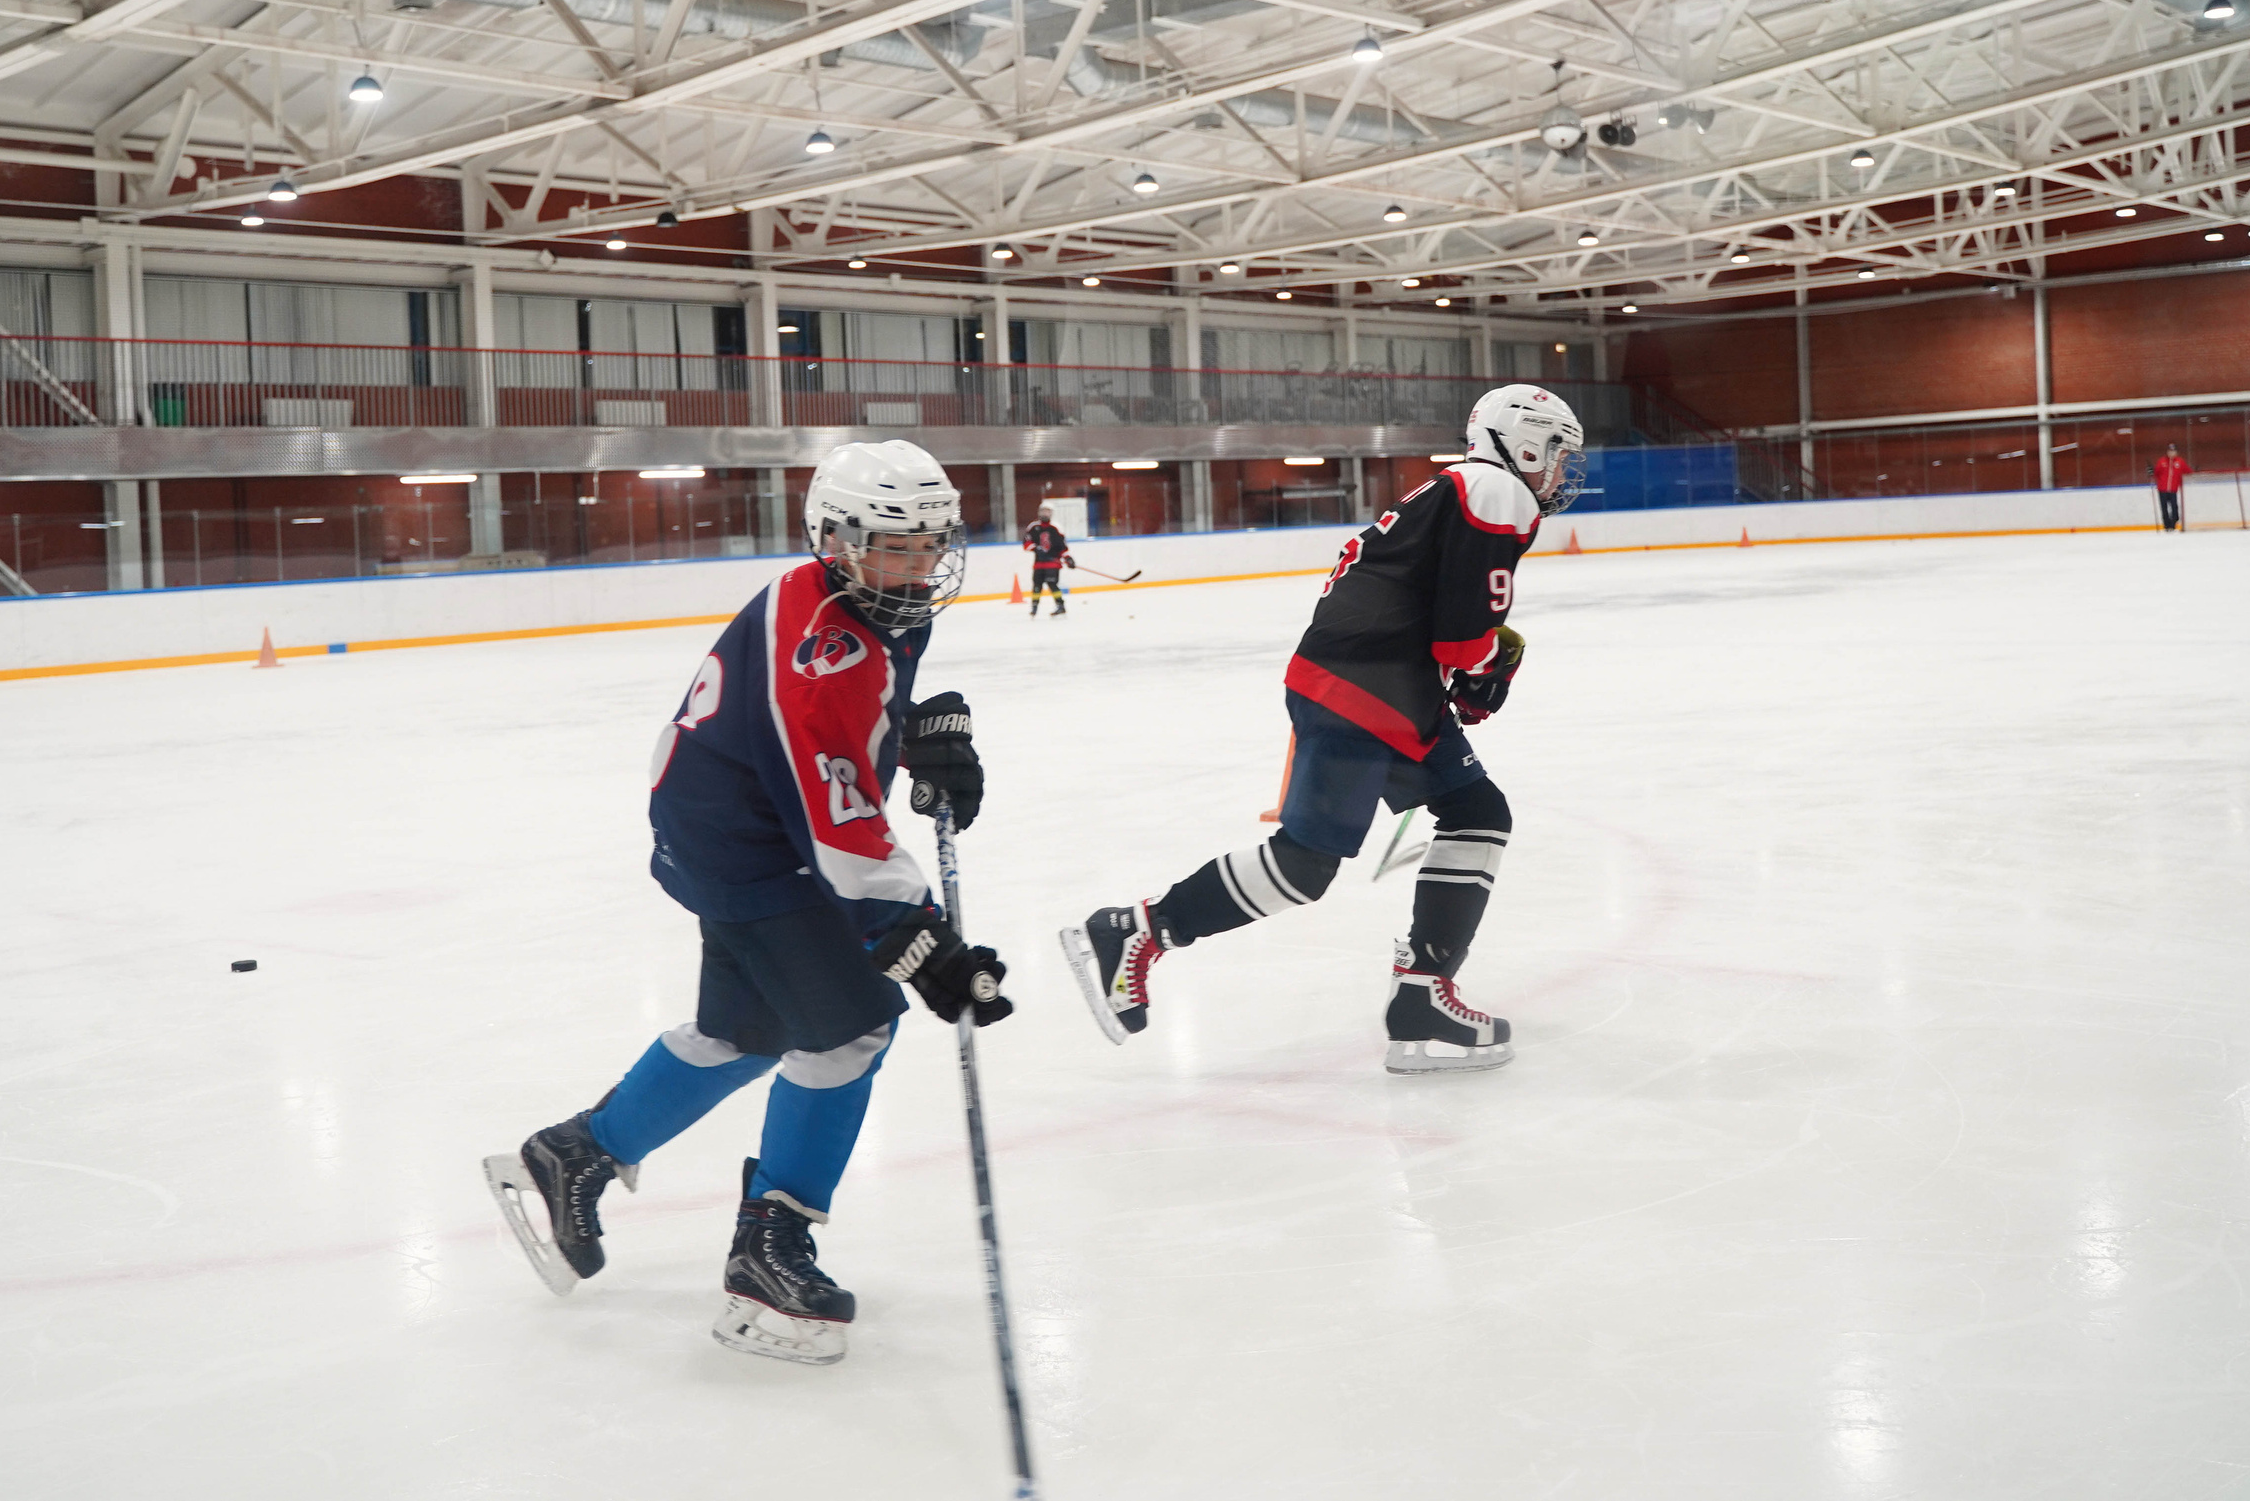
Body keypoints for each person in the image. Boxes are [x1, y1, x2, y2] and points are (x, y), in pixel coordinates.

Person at [485, 440, 1012, 1367]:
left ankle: (573, 1152)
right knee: (850, 1031)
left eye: (933, 542)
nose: (922, 563)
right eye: (899, 545)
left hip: (726, 822)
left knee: (750, 1030)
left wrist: (917, 731)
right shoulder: (823, 653)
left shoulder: (861, 595)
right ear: (837, 540)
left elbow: (854, 732)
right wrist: (923, 944)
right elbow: (840, 831)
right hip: (753, 849)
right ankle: (767, 1250)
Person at [1060, 384, 1585, 1074]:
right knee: (1302, 865)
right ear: (1520, 442)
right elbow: (1462, 636)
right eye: (1552, 453)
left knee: (1476, 811)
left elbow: (1436, 610)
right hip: (1368, 688)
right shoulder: (1496, 491)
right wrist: (1484, 669)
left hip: (1374, 683)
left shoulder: (1458, 487)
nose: (1556, 473)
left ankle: (1424, 994)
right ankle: (1136, 930)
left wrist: (1469, 666)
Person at [1022, 504, 1070, 617]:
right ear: (1039, 512)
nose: (1045, 513)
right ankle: (1034, 607)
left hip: (1053, 563)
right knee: (1037, 585)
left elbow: (1062, 548)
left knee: (1052, 583)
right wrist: (1036, 548)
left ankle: (1060, 605)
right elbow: (1026, 543)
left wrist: (1068, 558)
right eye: (1043, 511)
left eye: (1047, 511)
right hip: (1039, 563)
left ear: (1051, 513)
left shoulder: (1056, 528)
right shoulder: (1033, 527)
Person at [2152, 444, 2192, 531]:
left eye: (2173, 451)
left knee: (2174, 506)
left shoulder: (2180, 462)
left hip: (2173, 489)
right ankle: (2167, 525)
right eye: (2170, 451)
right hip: (2162, 489)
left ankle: (2173, 522)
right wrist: (2151, 471)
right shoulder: (2162, 461)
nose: (2171, 453)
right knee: (2164, 507)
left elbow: (2188, 471)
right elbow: (2156, 473)